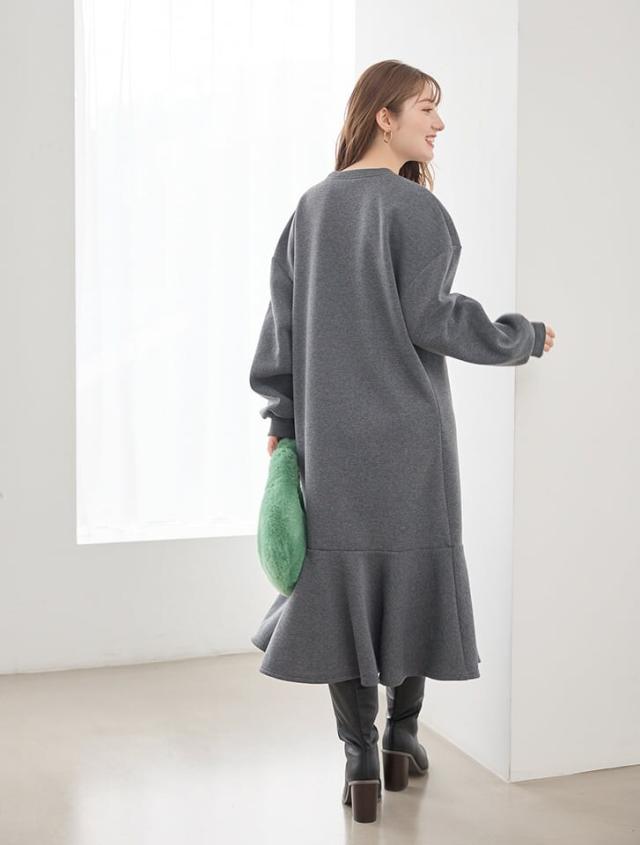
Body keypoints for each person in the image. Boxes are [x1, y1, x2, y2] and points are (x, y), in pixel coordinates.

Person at [249, 59, 555, 824]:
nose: (439, 123)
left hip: (333, 446)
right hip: (412, 441)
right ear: (384, 117)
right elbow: (437, 317)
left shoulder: (310, 210)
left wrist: (282, 427)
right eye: (426, 107)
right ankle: (403, 736)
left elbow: (281, 334)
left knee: (342, 589)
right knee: (413, 581)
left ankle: (358, 756)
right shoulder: (417, 209)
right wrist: (522, 336)